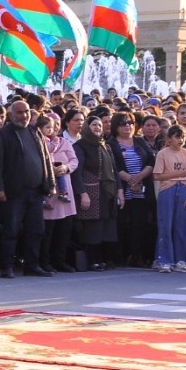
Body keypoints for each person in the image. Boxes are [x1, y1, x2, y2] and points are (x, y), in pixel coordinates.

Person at [0, 98, 56, 278]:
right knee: (11, 230)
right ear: (11, 115)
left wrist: (50, 183)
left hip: (35, 192)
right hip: (13, 193)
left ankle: (32, 265)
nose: (24, 115)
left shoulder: (35, 131)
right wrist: (0, 189)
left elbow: (46, 159)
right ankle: (7, 266)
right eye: (19, 112)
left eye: (26, 111)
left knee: (36, 230)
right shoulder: (3, 135)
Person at [73, 114, 121, 271]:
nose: (97, 128)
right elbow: (77, 173)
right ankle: (91, 260)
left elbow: (114, 171)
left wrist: (119, 191)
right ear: (87, 127)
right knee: (91, 228)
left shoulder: (105, 145)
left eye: (99, 125)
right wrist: (82, 193)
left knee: (103, 228)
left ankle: (100, 258)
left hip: (106, 193)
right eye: (94, 125)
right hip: (90, 191)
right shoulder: (80, 146)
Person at [110, 111, 155, 267]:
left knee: (139, 225)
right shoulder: (111, 143)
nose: (128, 126)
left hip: (140, 190)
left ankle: (137, 256)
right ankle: (116, 256)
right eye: (123, 123)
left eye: (130, 122)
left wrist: (140, 177)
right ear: (116, 126)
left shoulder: (139, 141)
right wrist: (130, 179)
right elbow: (112, 165)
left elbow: (151, 160)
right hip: (121, 189)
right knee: (120, 224)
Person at [39, 113, 79, 273]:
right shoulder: (40, 142)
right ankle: (45, 261)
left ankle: (59, 260)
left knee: (64, 230)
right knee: (47, 231)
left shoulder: (65, 143)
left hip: (64, 191)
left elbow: (74, 160)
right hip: (49, 191)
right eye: (50, 124)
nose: (54, 127)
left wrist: (65, 168)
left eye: (57, 123)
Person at [152, 124, 186, 273]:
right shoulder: (162, 154)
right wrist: (177, 174)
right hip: (167, 189)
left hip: (184, 189)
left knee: (182, 226)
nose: (180, 140)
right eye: (177, 137)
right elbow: (157, 175)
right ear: (169, 139)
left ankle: (181, 259)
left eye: (183, 137)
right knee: (165, 225)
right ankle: (164, 259)